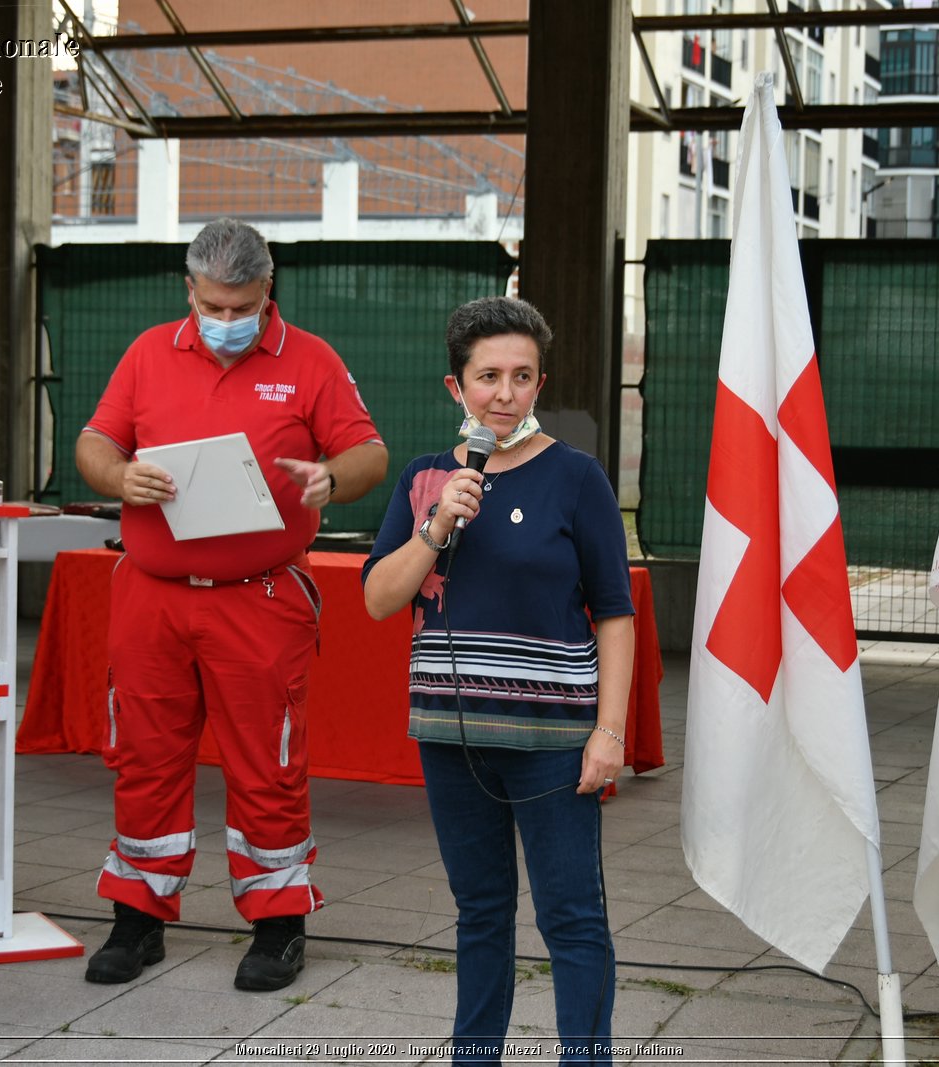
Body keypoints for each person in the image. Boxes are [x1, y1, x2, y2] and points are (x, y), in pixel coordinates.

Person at [75, 218, 387, 992]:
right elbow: (93, 443)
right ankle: (137, 917)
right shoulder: (149, 352)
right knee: (143, 754)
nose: (224, 323)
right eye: (211, 307)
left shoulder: (311, 360)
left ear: (267, 290)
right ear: (189, 289)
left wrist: (330, 477)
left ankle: (278, 924)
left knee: (268, 760)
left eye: (239, 306)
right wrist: (119, 478)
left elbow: (369, 451)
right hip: (152, 595)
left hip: (260, 596)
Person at [362, 297, 634, 1065]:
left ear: (539, 380)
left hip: (553, 742)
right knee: (479, 912)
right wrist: (436, 524)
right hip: (453, 739)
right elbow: (381, 597)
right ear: (457, 388)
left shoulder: (576, 477)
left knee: (571, 916)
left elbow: (615, 612)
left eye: (521, 376)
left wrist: (608, 733)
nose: (505, 393)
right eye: (488, 377)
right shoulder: (425, 481)